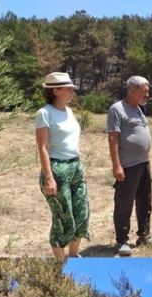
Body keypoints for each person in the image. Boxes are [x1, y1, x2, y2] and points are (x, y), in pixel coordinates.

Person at [35, 72, 90, 258]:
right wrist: (49, 177)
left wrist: (81, 168)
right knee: (63, 218)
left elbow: (72, 143)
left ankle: (73, 256)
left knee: (82, 214)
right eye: (68, 89)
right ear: (56, 91)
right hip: (57, 169)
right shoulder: (44, 113)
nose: (71, 92)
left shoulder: (69, 112)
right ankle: (60, 263)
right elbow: (42, 147)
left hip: (75, 166)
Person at [107, 76, 152, 256]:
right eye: (144, 91)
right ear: (132, 90)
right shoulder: (117, 110)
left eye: (147, 91)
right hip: (128, 165)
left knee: (145, 201)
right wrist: (116, 165)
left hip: (144, 163)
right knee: (124, 203)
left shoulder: (139, 110)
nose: (147, 95)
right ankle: (122, 241)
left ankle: (144, 235)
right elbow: (113, 138)